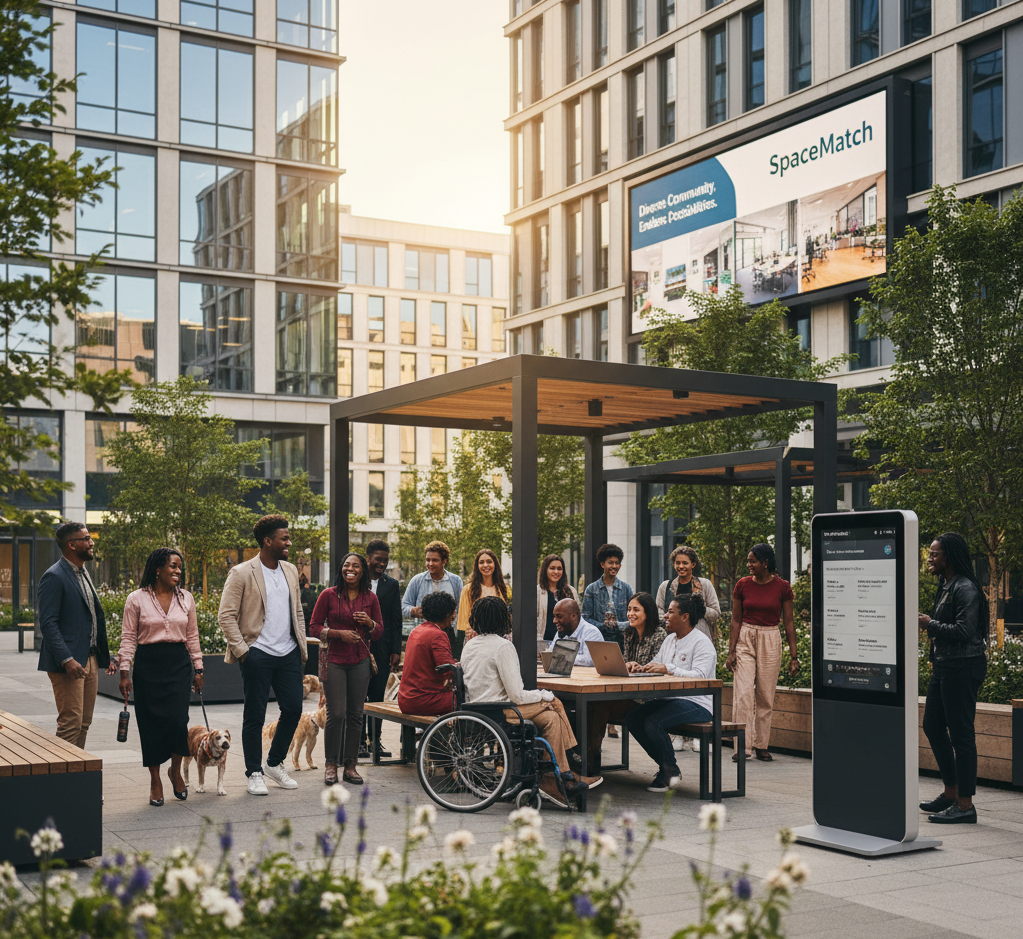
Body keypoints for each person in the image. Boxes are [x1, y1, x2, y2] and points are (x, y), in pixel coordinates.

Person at [460, 596, 602, 807]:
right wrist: (543, 695)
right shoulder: (503, 647)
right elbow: (517, 695)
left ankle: (555, 777)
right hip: (503, 711)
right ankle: (567, 766)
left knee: (552, 717)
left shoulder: (470, 646)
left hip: (479, 710)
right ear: (502, 619)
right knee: (554, 702)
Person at [219, 514, 308, 796]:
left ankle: (273, 763)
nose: (289, 543)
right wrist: (245, 652)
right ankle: (253, 772)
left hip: (288, 653)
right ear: (268, 541)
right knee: (255, 716)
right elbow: (226, 616)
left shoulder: (291, 570)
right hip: (257, 653)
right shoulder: (242, 572)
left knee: (293, 709)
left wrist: (302, 646)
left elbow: (297, 612)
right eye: (284, 538)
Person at [111, 548, 204, 806]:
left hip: (177, 665)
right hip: (149, 667)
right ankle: (154, 779)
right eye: (173, 566)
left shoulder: (186, 598)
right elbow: (128, 637)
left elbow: (193, 636)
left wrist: (198, 669)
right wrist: (124, 672)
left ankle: (174, 770)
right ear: (157, 569)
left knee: (178, 721)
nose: (178, 571)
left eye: (179, 567)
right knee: (150, 725)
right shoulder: (136, 599)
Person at [919, 532, 989, 824]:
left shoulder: (966, 588)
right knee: (932, 725)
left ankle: (964, 806)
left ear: (948, 556)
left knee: (962, 735)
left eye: (935, 554)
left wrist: (929, 623)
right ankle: (950, 792)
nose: (930, 558)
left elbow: (963, 631)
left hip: (963, 667)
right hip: (945, 666)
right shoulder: (947, 585)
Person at [624, 594, 718, 792]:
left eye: (670, 612)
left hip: (698, 703)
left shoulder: (702, 642)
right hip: (671, 699)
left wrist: (669, 669)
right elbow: (657, 666)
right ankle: (669, 767)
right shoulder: (669, 640)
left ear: (684, 617)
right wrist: (639, 667)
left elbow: (701, 677)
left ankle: (669, 770)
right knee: (632, 718)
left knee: (653, 722)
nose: (665, 616)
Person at [309, 553, 382, 786]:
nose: (350, 569)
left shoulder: (370, 598)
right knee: (336, 713)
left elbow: (379, 631)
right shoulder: (328, 595)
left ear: (363, 571)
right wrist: (337, 634)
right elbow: (313, 627)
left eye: (356, 566)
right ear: (342, 569)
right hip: (334, 660)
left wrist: (370, 624)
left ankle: (351, 766)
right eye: (347, 565)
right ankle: (331, 764)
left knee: (355, 715)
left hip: (360, 660)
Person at [37, 522, 110, 748]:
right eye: (86, 538)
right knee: (70, 723)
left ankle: (77, 775)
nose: (91, 542)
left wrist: (104, 655)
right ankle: (59, 780)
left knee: (84, 723)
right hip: (69, 662)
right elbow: (48, 624)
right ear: (71, 544)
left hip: (89, 659)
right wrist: (67, 659)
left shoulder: (83, 572)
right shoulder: (54, 576)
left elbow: (89, 618)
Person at [726, 543, 798, 763]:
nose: (749, 565)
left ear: (765, 563)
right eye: (748, 561)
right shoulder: (742, 585)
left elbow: (789, 622)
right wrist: (731, 651)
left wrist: (794, 657)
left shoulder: (782, 587)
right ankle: (742, 746)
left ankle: (761, 745)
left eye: (753, 561)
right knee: (743, 693)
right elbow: (736, 620)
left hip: (770, 637)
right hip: (746, 637)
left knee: (766, 695)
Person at [584, 592, 667, 770]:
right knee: (592, 703)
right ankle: (587, 755)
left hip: (648, 699)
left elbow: (657, 669)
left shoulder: (659, 635)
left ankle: (589, 758)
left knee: (600, 706)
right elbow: (626, 664)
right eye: (629, 609)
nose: (630, 614)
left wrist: (640, 668)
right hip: (629, 693)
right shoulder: (629, 634)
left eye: (636, 610)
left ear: (648, 612)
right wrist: (627, 665)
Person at [360, 539, 403, 759]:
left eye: (385, 560)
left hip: (383, 648)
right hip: (358, 646)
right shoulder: (356, 580)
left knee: (377, 697)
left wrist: (396, 649)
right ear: (368, 558)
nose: (382, 564)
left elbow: (396, 620)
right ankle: (359, 743)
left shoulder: (392, 585)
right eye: (378, 559)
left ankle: (375, 740)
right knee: (359, 695)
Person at [398, 592, 458, 717]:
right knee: (471, 698)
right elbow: (449, 670)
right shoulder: (438, 635)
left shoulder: (417, 630)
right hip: (424, 700)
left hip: (406, 699)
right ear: (448, 614)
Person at [401, 541, 464, 649]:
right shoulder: (417, 581)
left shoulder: (455, 581)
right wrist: (413, 611)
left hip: (448, 635)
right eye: (428, 560)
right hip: (423, 635)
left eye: (435, 560)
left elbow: (461, 609)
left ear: (444, 562)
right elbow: (402, 608)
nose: (430, 564)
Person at [654, 545, 721, 641]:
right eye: (678, 563)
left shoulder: (705, 584)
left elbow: (716, 613)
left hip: (699, 638)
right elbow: (658, 611)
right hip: (672, 638)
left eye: (685, 563)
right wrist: (672, 617)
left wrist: (699, 609)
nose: (681, 566)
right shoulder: (665, 586)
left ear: (693, 564)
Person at [455, 549, 509, 655]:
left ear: (495, 564)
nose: (485, 565)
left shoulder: (502, 589)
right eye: (481, 562)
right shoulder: (468, 589)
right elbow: (464, 621)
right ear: (477, 566)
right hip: (475, 641)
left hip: (498, 641)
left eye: (489, 561)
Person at [581, 543, 633, 644]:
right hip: (598, 640)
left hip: (623, 642)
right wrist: (603, 625)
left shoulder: (626, 589)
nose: (614, 566)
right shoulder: (591, 589)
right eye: (610, 562)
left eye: (617, 563)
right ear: (602, 564)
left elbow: (633, 618)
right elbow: (585, 618)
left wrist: (618, 625)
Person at [548, 598, 604, 667]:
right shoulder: (561, 631)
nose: (554, 621)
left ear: (573, 616)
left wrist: (561, 658)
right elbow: (551, 655)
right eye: (554, 617)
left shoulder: (591, 633)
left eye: (559, 616)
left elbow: (589, 660)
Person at [536, 554, 579, 641]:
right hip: (544, 642)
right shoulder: (537, 592)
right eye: (552, 568)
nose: (556, 572)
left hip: (568, 642)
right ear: (545, 570)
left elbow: (578, 617)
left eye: (559, 569)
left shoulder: (571, 591)